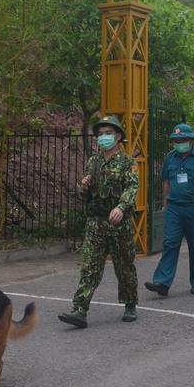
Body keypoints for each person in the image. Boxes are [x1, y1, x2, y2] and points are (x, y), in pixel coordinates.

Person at [58, 116, 140, 328]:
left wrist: (121, 207)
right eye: (100, 134)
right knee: (90, 267)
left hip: (118, 224)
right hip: (96, 222)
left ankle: (130, 303)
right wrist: (84, 186)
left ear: (118, 136)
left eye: (108, 133)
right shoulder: (93, 162)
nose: (103, 137)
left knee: (125, 267)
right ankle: (80, 309)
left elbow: (132, 188)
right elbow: (86, 195)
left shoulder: (128, 162)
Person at [145, 123, 194, 296]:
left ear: (191, 140)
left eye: (183, 139)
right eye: (176, 140)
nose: (179, 142)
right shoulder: (170, 157)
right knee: (170, 243)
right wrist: (165, 204)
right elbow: (166, 182)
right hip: (174, 207)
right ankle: (162, 282)